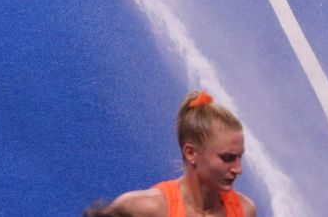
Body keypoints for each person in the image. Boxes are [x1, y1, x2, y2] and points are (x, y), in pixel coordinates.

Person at [106, 91, 258, 216]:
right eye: (227, 158)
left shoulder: (245, 211)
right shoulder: (144, 209)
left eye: (239, 157)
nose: (238, 169)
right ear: (191, 153)